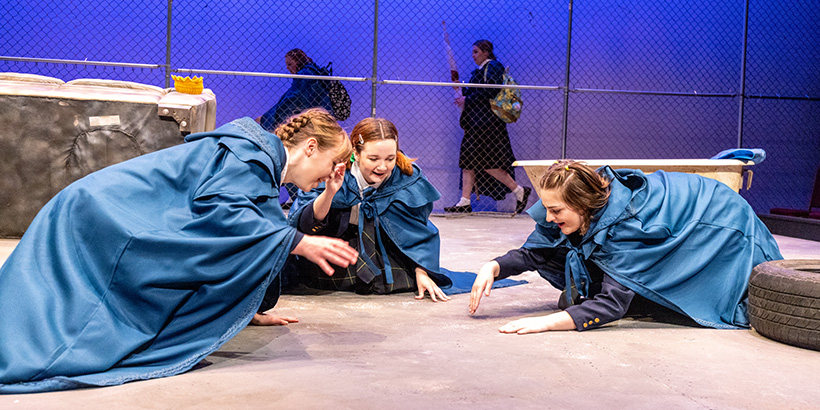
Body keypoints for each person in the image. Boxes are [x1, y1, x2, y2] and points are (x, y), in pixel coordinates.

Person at [0, 108, 358, 393]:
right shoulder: (250, 157)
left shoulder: (257, 161)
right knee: (66, 325)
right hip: (99, 215)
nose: (329, 176)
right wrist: (299, 242)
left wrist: (243, 307)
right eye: (331, 164)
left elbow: (236, 237)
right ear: (310, 147)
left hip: (96, 207)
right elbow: (225, 212)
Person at [468, 160, 783, 334]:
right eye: (547, 208)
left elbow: (612, 305)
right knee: (563, 249)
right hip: (693, 213)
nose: (549, 218)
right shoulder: (576, 211)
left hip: (718, 225)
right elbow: (538, 250)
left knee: (690, 295)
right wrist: (493, 266)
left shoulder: (624, 229)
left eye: (557, 211)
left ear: (582, 205)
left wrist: (545, 323)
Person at [255, 117, 451, 318]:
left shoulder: (406, 176)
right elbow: (302, 224)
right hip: (339, 247)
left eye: (390, 158)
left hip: (386, 249)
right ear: (356, 154)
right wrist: (330, 192)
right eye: (373, 159)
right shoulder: (332, 169)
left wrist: (421, 270)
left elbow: (416, 230)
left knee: (398, 280)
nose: (382, 167)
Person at [444, 39, 530, 215]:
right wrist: (461, 89)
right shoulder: (480, 71)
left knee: (486, 162)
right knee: (468, 161)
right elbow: (476, 92)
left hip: (487, 125)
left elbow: (489, 91)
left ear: (485, 51)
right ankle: (464, 201)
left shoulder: (493, 67)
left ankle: (519, 190)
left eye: (475, 51)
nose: (473, 55)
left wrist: (467, 98)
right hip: (476, 124)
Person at [257, 48, 335, 208]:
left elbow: (291, 101)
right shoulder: (313, 74)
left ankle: (298, 198)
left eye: (290, 64)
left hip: (309, 127)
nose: (287, 68)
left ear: (298, 61)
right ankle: (297, 198)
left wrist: (266, 118)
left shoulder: (305, 78)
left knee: (288, 155)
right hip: (319, 124)